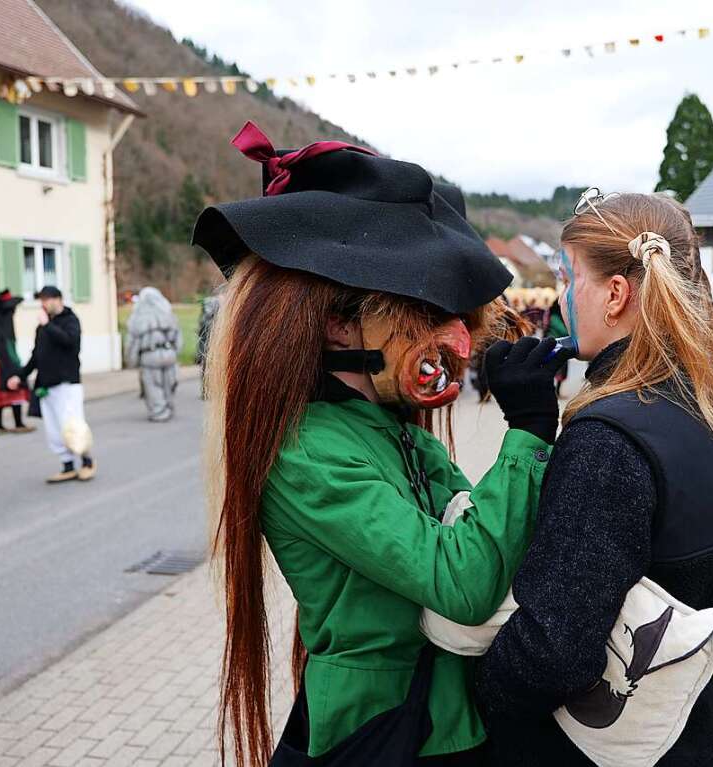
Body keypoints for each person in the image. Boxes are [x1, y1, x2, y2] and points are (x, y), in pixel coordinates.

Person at [192, 121, 570, 767]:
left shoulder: (394, 430)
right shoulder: (306, 450)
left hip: (447, 713)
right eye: (418, 311)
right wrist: (528, 431)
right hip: (381, 729)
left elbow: (481, 533)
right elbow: (464, 580)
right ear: (338, 322)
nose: (447, 336)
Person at [473, 190, 713, 766]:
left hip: (593, 746)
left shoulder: (610, 441)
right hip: (681, 731)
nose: (563, 295)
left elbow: (555, 648)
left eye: (570, 275)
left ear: (615, 294)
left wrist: (478, 688)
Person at [7, 286, 96, 483]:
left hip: (67, 382)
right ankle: (67, 465)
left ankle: (87, 461)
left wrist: (48, 326)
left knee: (73, 424)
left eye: (47, 300)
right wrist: (20, 376)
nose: (44, 304)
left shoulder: (70, 320)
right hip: (47, 384)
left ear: (58, 299)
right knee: (55, 428)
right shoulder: (43, 327)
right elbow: (36, 355)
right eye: (41, 301)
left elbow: (71, 344)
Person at [0, 289, 34, 434]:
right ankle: (14, 423)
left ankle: (1, 424)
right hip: (0, 363)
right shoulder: (0, 324)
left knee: (4, 391)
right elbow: (5, 347)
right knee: (12, 388)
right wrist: (14, 365)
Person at [125, 286, 182, 422]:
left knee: (153, 385)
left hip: (149, 356)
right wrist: (175, 352)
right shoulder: (168, 314)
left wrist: (131, 360)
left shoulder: (138, 318)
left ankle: (159, 411)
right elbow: (178, 338)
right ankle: (168, 406)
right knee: (168, 382)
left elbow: (132, 343)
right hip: (168, 354)